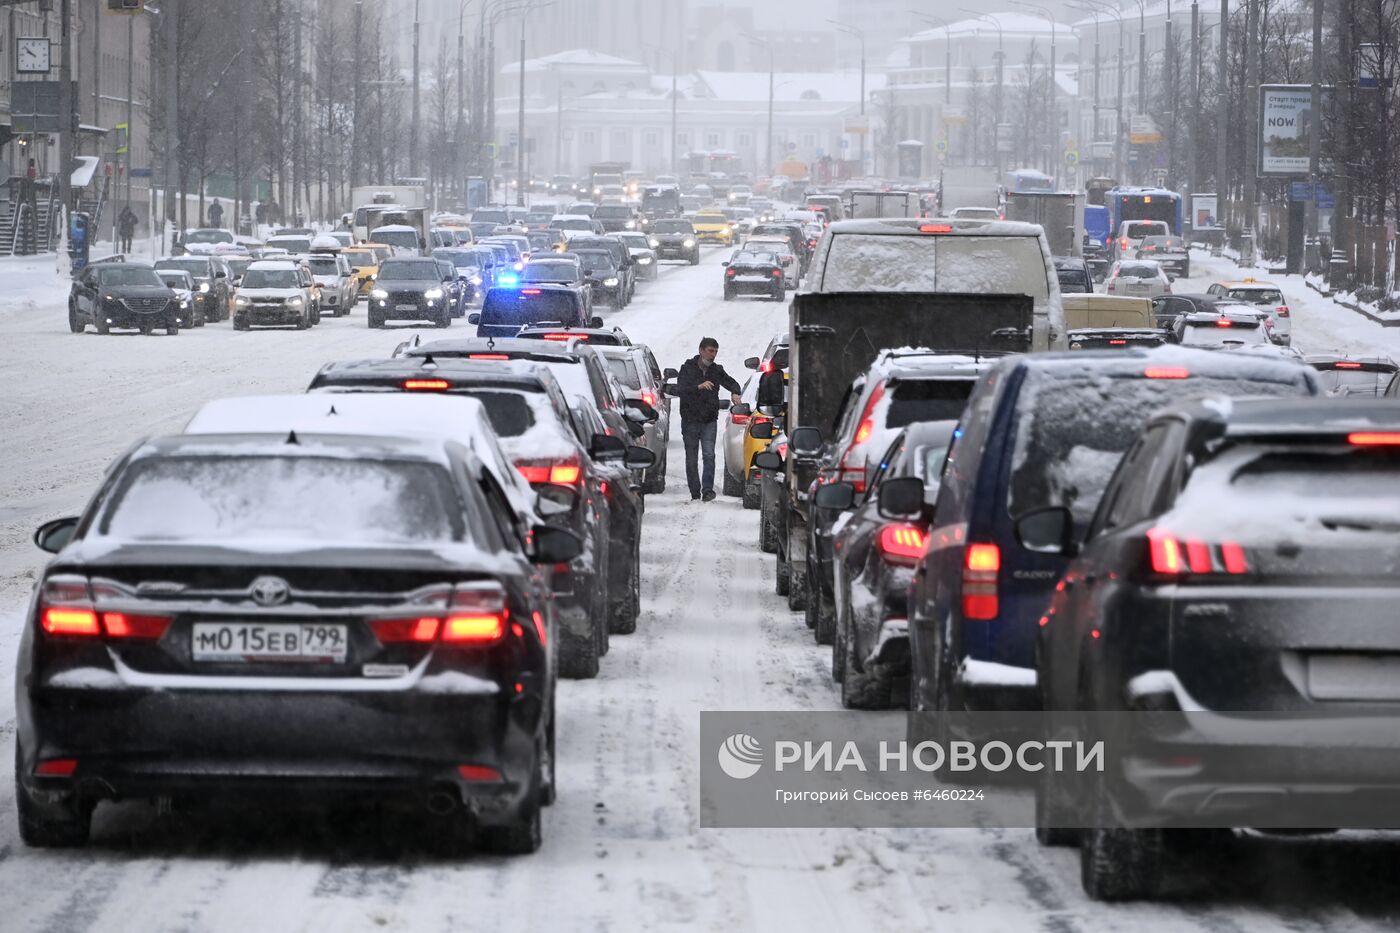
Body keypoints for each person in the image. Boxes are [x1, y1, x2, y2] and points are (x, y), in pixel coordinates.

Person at [676, 337, 743, 502]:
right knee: (691, 457)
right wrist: (698, 387)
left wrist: (735, 392)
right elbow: (680, 389)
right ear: (701, 350)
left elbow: (732, 382)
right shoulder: (687, 368)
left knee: (709, 455)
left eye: (715, 352)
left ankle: (707, 490)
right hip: (690, 419)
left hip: (709, 420)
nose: (713, 355)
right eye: (710, 351)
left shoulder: (716, 370)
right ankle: (694, 491)